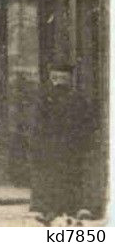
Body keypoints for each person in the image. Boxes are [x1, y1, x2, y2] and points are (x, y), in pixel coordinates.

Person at [31, 65, 92, 224]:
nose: (60, 82)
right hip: (51, 145)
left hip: (71, 145)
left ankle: (73, 209)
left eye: (64, 78)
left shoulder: (77, 98)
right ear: (52, 78)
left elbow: (86, 123)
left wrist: (83, 141)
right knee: (51, 177)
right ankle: (50, 211)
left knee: (71, 176)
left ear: (70, 79)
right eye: (57, 78)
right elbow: (37, 124)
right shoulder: (45, 98)